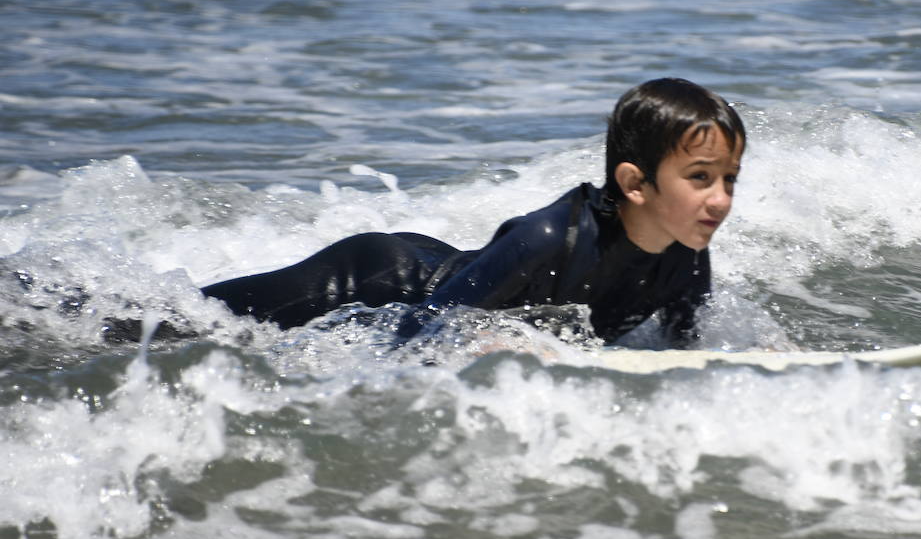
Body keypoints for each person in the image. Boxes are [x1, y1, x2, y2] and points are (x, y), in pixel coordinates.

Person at [200, 78, 745, 347]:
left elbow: (685, 348)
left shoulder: (686, 255)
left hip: (451, 266)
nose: (719, 199)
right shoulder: (550, 236)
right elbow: (419, 328)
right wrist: (488, 343)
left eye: (729, 179)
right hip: (376, 278)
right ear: (635, 183)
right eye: (700, 178)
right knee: (190, 326)